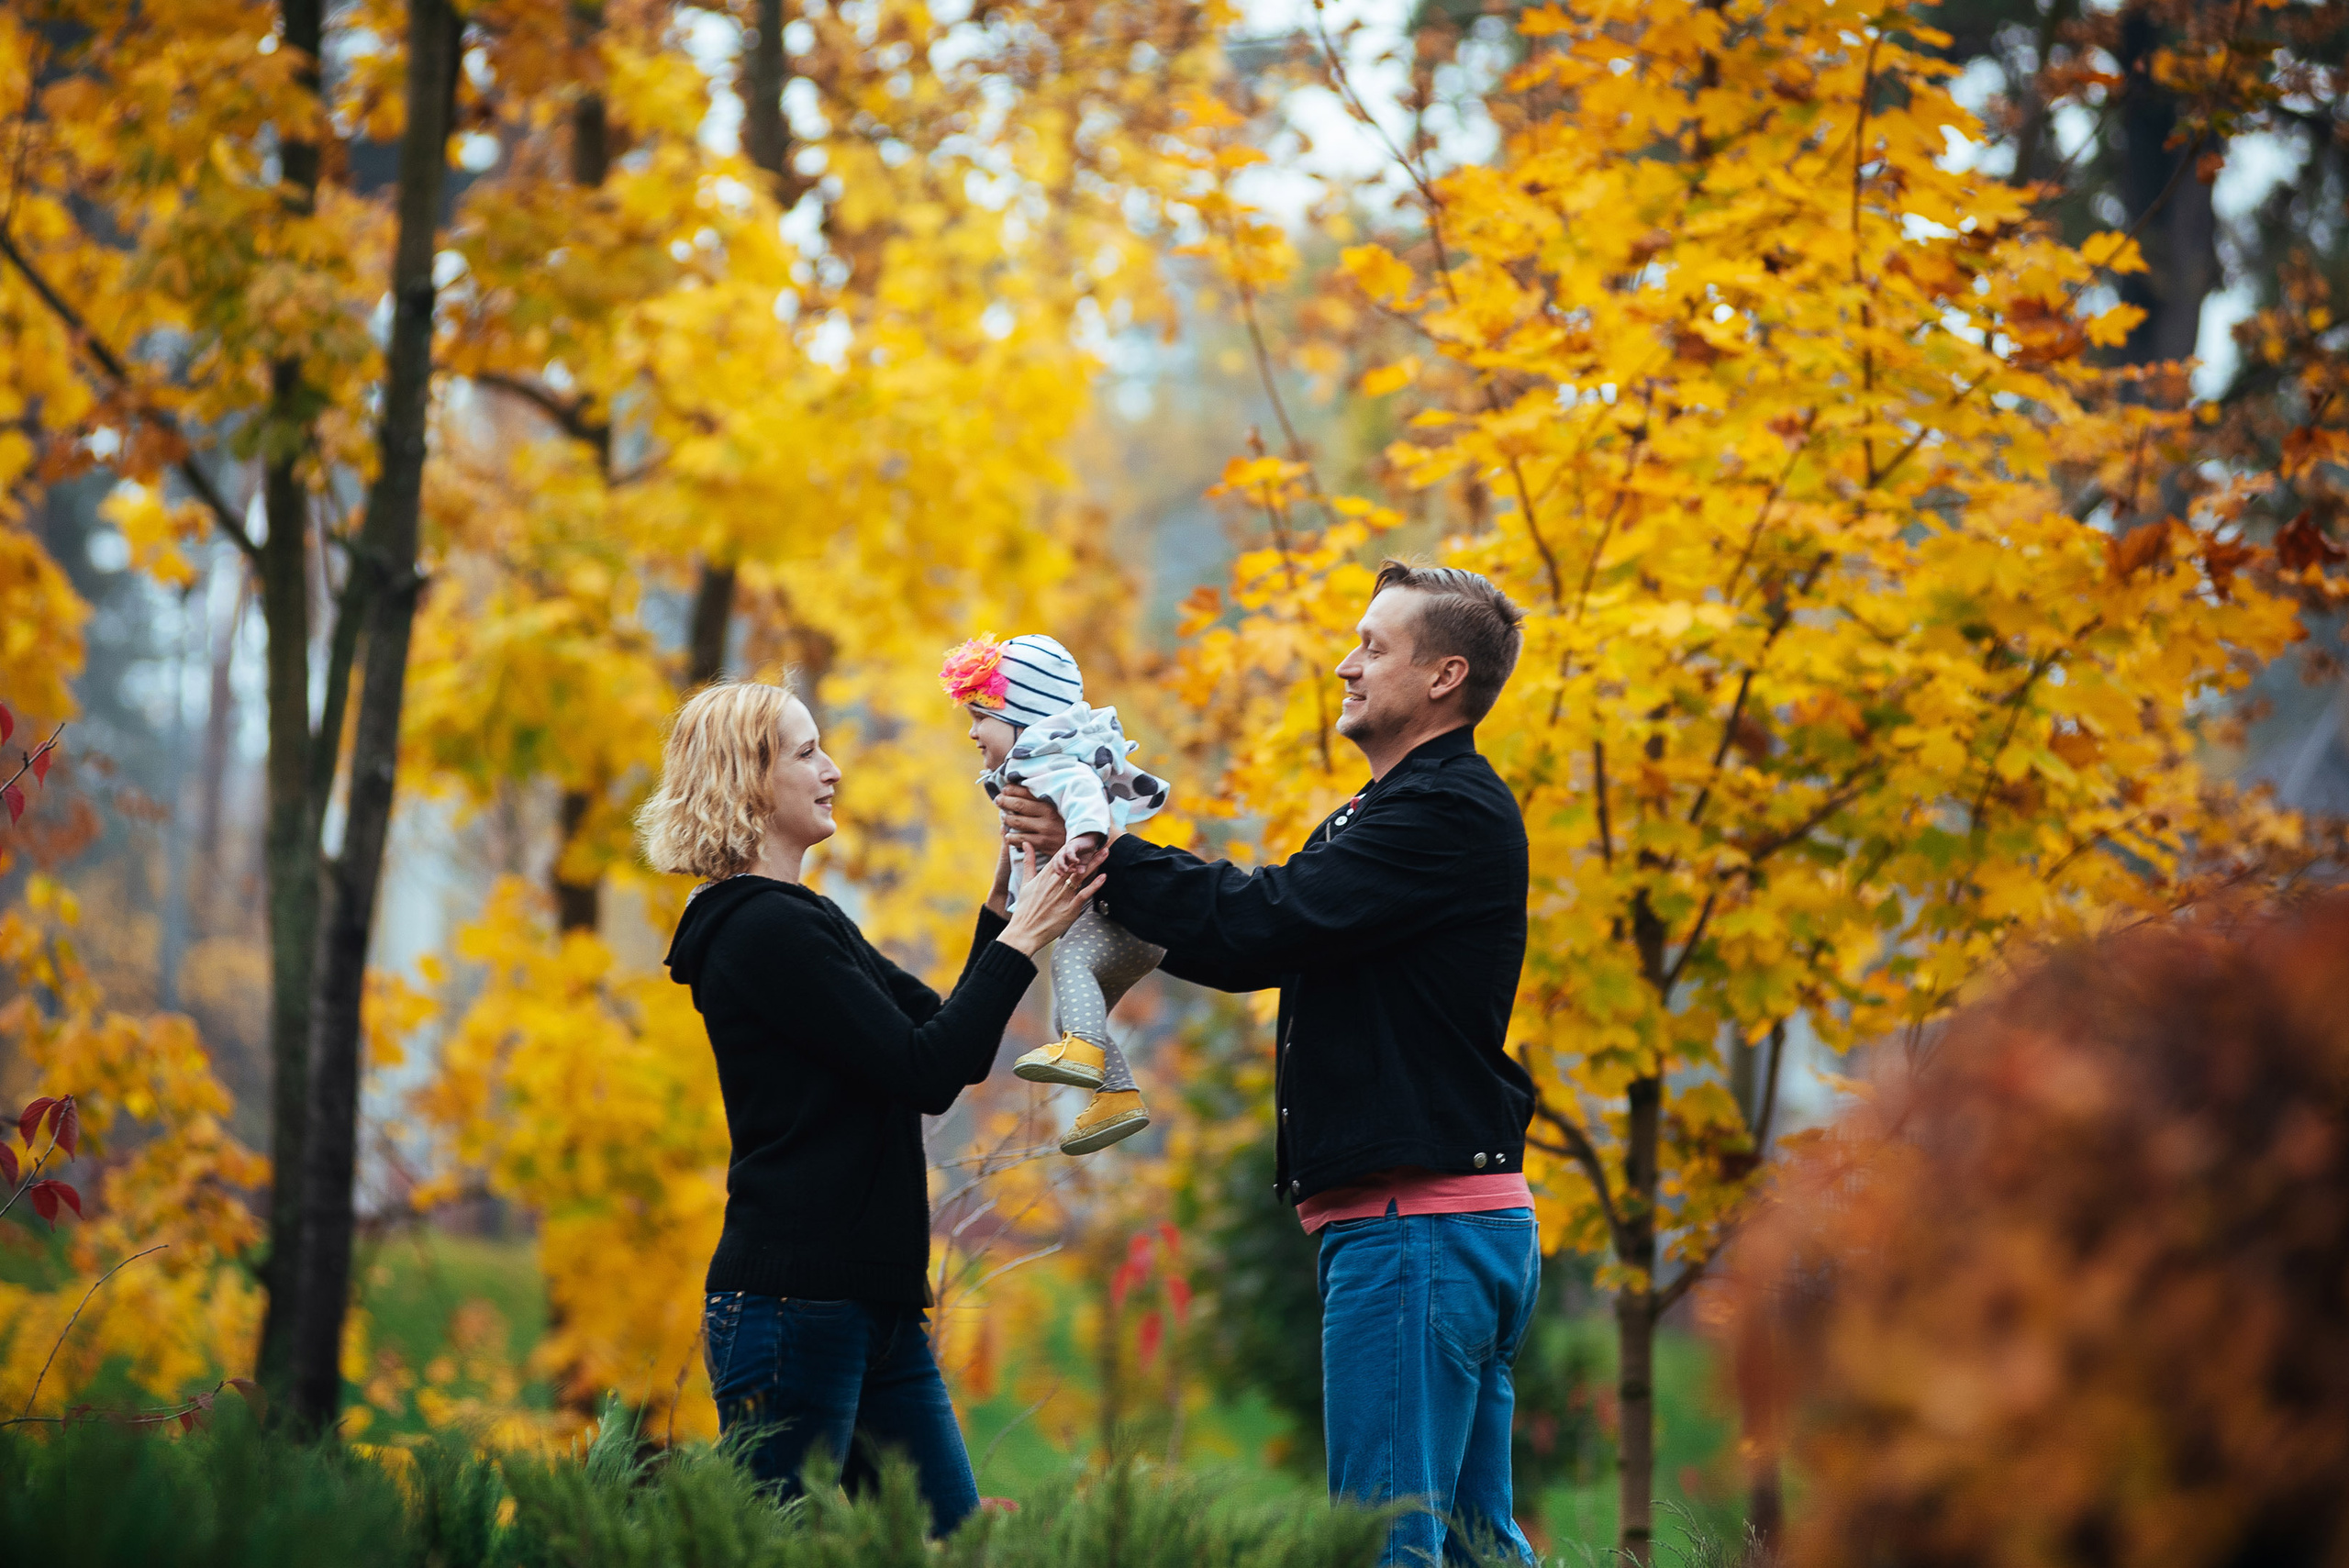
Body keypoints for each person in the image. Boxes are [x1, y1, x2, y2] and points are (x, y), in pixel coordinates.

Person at [1005, 562, 1537, 1565]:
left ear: (1443, 675)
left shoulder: (1444, 811)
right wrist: (1095, 870)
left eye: (1374, 646)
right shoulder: (1388, 813)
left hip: (1411, 1227)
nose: (1346, 663)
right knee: (1473, 1549)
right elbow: (1256, 941)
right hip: (1435, 1225)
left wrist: (1106, 849)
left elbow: (1267, 919)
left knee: (1387, 1546)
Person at [641, 680, 1101, 1536]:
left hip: (871, 1305)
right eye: (807, 752)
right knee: (768, 1552)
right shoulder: (759, 930)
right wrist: (1025, 938)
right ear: (750, 780)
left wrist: (1006, 903)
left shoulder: (803, 917)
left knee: (952, 1546)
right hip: (794, 1305)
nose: (834, 769)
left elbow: (939, 1036)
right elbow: (926, 1071)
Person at [939, 631, 1171, 1155]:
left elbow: (1084, 792)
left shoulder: (1052, 760)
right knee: (1072, 1008)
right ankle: (1117, 1097)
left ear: (1026, 719)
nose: (974, 734)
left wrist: (1083, 840)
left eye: (981, 719)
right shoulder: (1034, 764)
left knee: (1070, 964)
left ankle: (1086, 1052)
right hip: (1128, 930)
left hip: (1116, 922)